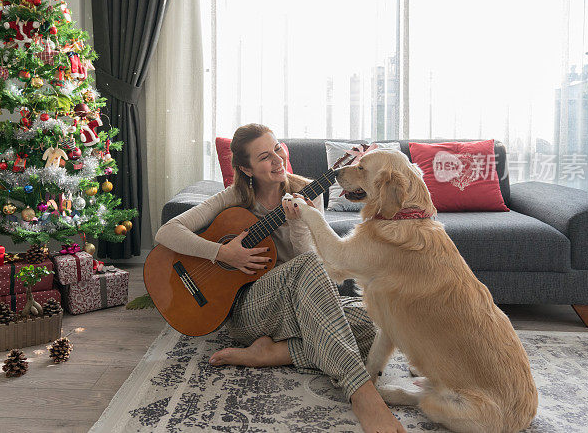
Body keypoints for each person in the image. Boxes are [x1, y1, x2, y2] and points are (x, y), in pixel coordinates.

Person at [154, 123, 406, 433]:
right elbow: (166, 232)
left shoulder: (308, 191)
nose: (277, 160)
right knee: (313, 276)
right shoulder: (231, 198)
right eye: (264, 157)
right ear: (246, 168)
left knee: (376, 323)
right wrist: (223, 254)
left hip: (302, 304)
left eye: (277, 149)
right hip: (250, 310)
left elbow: (321, 269)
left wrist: (300, 224)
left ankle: (275, 352)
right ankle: (361, 392)